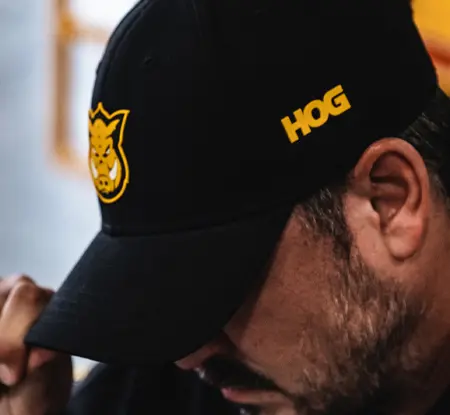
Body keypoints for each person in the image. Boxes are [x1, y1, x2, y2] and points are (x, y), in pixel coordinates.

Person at [2, 0, 450, 413]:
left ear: (389, 202)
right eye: (161, 291)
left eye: (217, 285)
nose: (187, 356)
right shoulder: (188, 387)